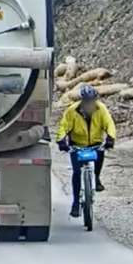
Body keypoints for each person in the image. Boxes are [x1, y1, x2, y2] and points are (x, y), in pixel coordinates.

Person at [56, 83, 117, 218]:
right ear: (82, 101)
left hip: (95, 143)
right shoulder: (72, 111)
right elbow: (63, 126)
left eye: (92, 101)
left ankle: (97, 177)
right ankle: (76, 203)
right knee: (77, 173)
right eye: (87, 102)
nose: (89, 104)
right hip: (77, 144)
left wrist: (110, 139)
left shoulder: (101, 109)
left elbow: (109, 124)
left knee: (101, 154)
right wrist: (61, 141)